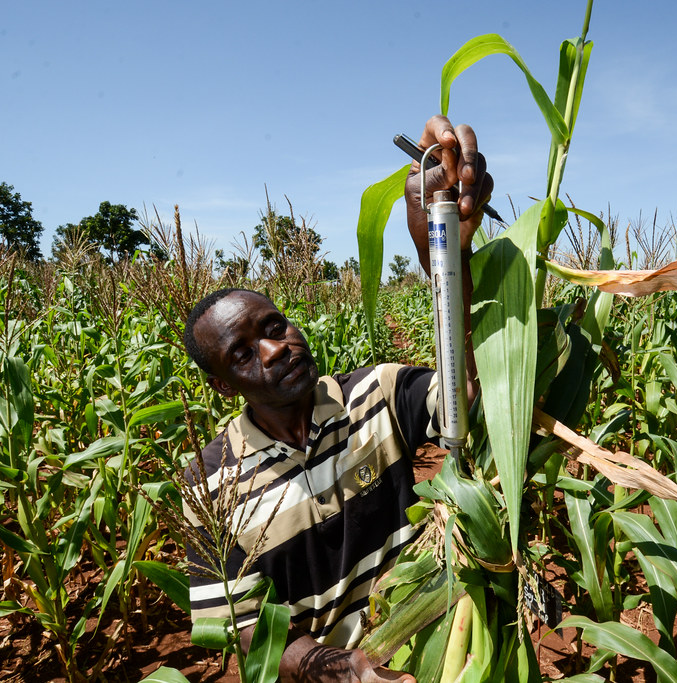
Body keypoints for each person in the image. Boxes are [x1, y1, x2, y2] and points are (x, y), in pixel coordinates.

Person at [181, 116, 493, 683]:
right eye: (244, 354)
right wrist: (341, 669)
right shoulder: (207, 487)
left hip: (427, 660)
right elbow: (243, 625)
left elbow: (470, 404)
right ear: (223, 386)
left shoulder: (378, 392)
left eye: (275, 326)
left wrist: (444, 259)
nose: (275, 350)